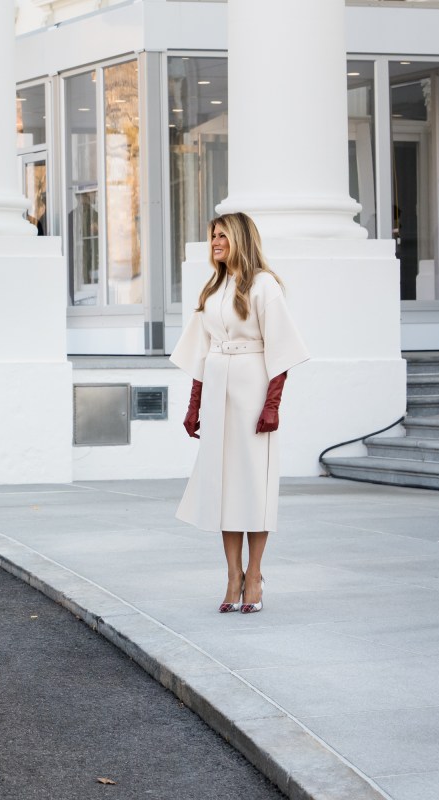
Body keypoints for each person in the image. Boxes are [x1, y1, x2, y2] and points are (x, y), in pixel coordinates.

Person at [169, 212, 309, 615]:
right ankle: (233, 575)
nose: (215, 242)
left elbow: (281, 351)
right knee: (224, 486)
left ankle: (255, 575)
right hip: (217, 391)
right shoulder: (212, 289)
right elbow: (200, 352)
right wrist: (194, 406)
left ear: (241, 239)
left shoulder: (264, 285)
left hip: (252, 390)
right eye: (213, 235)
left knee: (254, 486)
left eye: (222, 236)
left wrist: (272, 406)